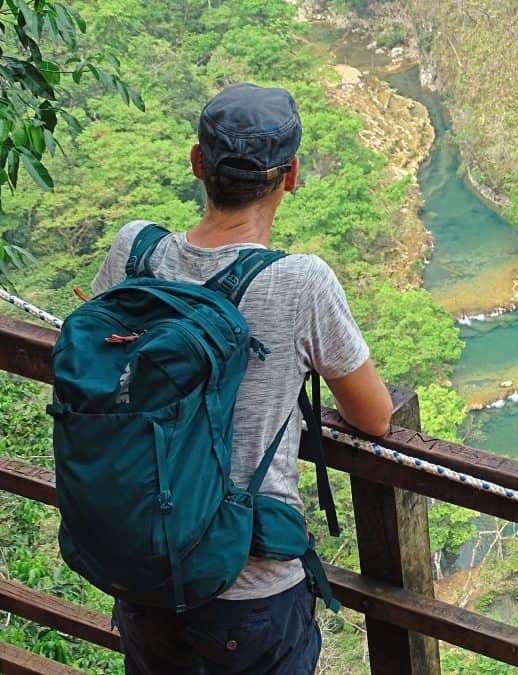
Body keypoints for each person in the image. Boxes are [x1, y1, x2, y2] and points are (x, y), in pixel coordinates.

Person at [91, 83, 393, 674]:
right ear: (292, 176)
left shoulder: (134, 253)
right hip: (248, 583)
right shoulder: (301, 282)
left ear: (197, 163)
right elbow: (375, 417)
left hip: (141, 562)